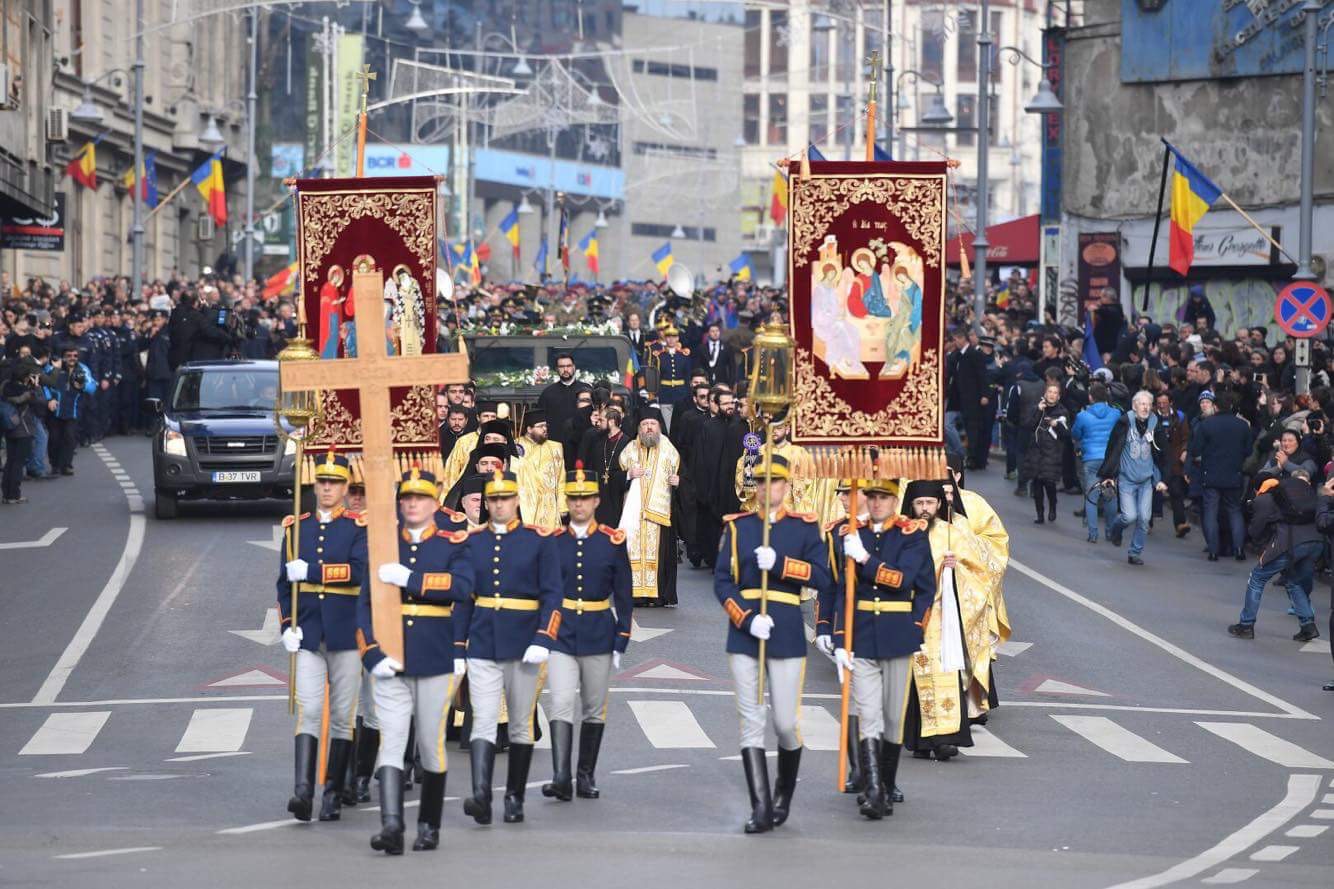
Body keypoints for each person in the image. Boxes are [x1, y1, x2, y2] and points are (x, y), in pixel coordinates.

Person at [357, 468, 474, 855]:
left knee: (430, 743)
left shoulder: (452, 542)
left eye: (420, 498)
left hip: (433, 655)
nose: (412, 504)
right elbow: (364, 606)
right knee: (391, 741)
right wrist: (371, 653)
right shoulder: (383, 544)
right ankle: (391, 825)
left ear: (434, 502)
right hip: (391, 654)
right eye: (406, 498)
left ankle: (428, 825)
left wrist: (411, 578)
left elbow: (462, 587)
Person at [714, 455, 829, 833]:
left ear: (787, 485)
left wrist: (780, 564)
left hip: (786, 630)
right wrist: (746, 618)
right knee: (751, 721)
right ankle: (760, 808)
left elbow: (823, 576)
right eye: (761, 482)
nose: (767, 489)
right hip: (745, 631)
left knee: (785, 723)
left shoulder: (804, 528)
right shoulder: (738, 528)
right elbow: (723, 581)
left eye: (775, 482)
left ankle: (783, 794)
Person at [818, 477, 934, 819]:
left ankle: (887, 782)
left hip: (898, 634)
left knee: (893, 719)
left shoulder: (911, 534)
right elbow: (840, 589)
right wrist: (838, 637)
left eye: (884, 497)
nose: (877, 502)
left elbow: (910, 582)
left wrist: (916, 627)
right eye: (872, 496)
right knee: (868, 713)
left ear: (895, 500)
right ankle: (873, 789)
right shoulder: (850, 534)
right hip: (863, 635)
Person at [455, 471, 563, 825]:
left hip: (524, 643)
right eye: (493, 499)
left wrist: (544, 638)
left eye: (505, 498)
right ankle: (481, 796)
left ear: (516, 500)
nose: (499, 505)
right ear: (486, 503)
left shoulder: (538, 541)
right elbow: (465, 599)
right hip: (483, 642)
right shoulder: (473, 542)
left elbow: (553, 595)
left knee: (519, 724)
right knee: (483, 721)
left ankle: (514, 798)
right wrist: (457, 647)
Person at [276, 452, 368, 823]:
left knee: (343, 717)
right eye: (322, 482)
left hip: (346, 634)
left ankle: (332, 794)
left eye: (335, 483)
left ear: (345, 488)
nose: (327, 488)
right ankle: (302, 792)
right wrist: (287, 625)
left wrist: (313, 571)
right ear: (314, 486)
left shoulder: (358, 527)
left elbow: (359, 571)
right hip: (309, 632)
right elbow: (284, 586)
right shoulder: (295, 528)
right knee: (310, 711)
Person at [541, 466, 633, 802]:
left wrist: (621, 638)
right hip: (562, 633)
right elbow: (545, 591)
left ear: (596, 501)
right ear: (567, 502)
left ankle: (585, 775)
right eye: (574, 499)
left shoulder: (612, 542)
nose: (579, 504)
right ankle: (560, 776)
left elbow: (624, 594)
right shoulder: (554, 543)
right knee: (561, 702)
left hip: (598, 633)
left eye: (585, 498)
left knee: (594, 707)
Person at [1229, 471, 1322, 642]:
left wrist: (1262, 546)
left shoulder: (1265, 499)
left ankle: (1246, 625)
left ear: (1258, 488)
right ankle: (1308, 625)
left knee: (1257, 578)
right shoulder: (1292, 492)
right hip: (1316, 541)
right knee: (1293, 580)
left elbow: (1256, 529)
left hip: (1291, 544)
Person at [618, 407, 681, 607]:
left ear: (659, 426)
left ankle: (658, 595)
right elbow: (615, 476)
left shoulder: (669, 449)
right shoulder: (629, 449)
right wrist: (629, 474)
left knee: (659, 555)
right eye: (645, 424)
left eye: (652, 424)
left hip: (659, 513)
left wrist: (678, 481)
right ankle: (636, 595)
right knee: (632, 553)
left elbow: (684, 477)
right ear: (639, 428)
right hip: (634, 514)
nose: (649, 428)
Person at [1099, 391, 1169, 566]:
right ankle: (1115, 530)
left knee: (1144, 519)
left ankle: (1134, 552)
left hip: (1146, 480)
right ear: (1134, 406)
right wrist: (1108, 475)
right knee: (1129, 516)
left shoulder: (1155, 423)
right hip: (1126, 479)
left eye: (1148, 404)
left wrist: (1163, 478)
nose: (1146, 407)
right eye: (1142, 404)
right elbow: (1112, 449)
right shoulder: (1124, 422)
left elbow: (1163, 452)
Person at [1189, 391, 1251, 561]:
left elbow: (1195, 449)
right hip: (1234, 473)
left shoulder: (1207, 424)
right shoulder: (1242, 425)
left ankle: (1213, 550)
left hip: (1211, 473)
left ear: (1215, 406)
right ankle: (1239, 549)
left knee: (1210, 511)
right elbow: (1248, 451)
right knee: (1234, 511)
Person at [1071, 382, 1121, 542]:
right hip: (1110, 459)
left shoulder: (1083, 416)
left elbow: (1076, 434)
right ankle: (1110, 531)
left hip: (1091, 458)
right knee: (1110, 495)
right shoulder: (1115, 414)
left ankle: (1093, 534)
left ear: (1090, 397)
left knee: (1091, 497)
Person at [1023, 381, 1070, 524]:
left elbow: (1067, 434)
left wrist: (1057, 425)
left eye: (1055, 393)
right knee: (1037, 484)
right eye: (1050, 392)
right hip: (1036, 451)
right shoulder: (1037, 408)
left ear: (1059, 396)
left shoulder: (1062, 412)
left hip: (1052, 452)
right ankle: (1040, 514)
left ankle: (1053, 507)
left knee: (1049, 483)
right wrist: (1038, 410)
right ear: (1045, 393)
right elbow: (1028, 425)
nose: (1052, 395)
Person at [46, 345, 96, 477]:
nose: (72, 358)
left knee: (70, 436)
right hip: (55, 410)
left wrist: (83, 386)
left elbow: (92, 387)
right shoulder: (54, 367)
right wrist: (49, 399)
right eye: (69, 356)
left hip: (73, 410)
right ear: (63, 356)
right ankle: (55, 465)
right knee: (54, 438)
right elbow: (44, 385)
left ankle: (67, 465)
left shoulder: (83, 369)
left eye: (75, 355)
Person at [578, 405, 631, 527]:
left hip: (617, 498)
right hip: (599, 498)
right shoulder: (598, 442)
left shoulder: (627, 443)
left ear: (611, 422)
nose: (598, 422)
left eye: (601, 420)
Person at [513, 410, 567, 528]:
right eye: (540, 426)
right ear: (529, 429)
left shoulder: (555, 447)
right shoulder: (516, 446)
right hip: (526, 505)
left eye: (545, 426)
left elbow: (561, 478)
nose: (545, 429)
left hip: (549, 506)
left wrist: (562, 505)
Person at [1, 357, 43, 503]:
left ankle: (6, 494)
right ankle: (14, 494)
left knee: (10, 461)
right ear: (26, 377)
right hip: (23, 429)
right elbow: (40, 404)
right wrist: (36, 387)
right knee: (18, 463)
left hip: (8, 426)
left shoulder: (6, 386)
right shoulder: (27, 391)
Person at [536, 352, 591, 461]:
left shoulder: (586, 390)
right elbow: (541, 421)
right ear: (557, 369)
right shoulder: (548, 393)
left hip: (582, 446)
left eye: (568, 366)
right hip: (555, 447)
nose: (565, 369)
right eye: (561, 366)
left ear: (574, 367)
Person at [1153, 391, 1192, 538]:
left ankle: (1180, 524)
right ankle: (1147, 522)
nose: (1162, 406)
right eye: (1159, 403)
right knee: (1150, 492)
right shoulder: (1151, 416)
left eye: (1164, 403)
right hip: (1156, 459)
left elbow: (1186, 437)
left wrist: (1184, 450)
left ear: (1171, 403)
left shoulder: (1180, 417)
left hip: (1174, 460)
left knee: (1176, 492)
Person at [654, 325, 692, 431]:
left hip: (681, 394)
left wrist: (688, 394)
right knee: (668, 426)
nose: (671, 339)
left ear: (677, 338)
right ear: (665, 338)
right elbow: (656, 378)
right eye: (668, 336)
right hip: (665, 394)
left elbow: (687, 377)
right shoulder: (659, 357)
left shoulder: (684, 356)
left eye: (674, 336)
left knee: (682, 425)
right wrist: (655, 395)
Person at [694, 321, 736, 386]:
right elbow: (698, 366)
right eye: (712, 331)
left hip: (722, 383)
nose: (715, 333)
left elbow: (732, 367)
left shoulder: (727, 347)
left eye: (717, 331)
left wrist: (731, 384)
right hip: (706, 383)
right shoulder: (701, 348)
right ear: (708, 333)